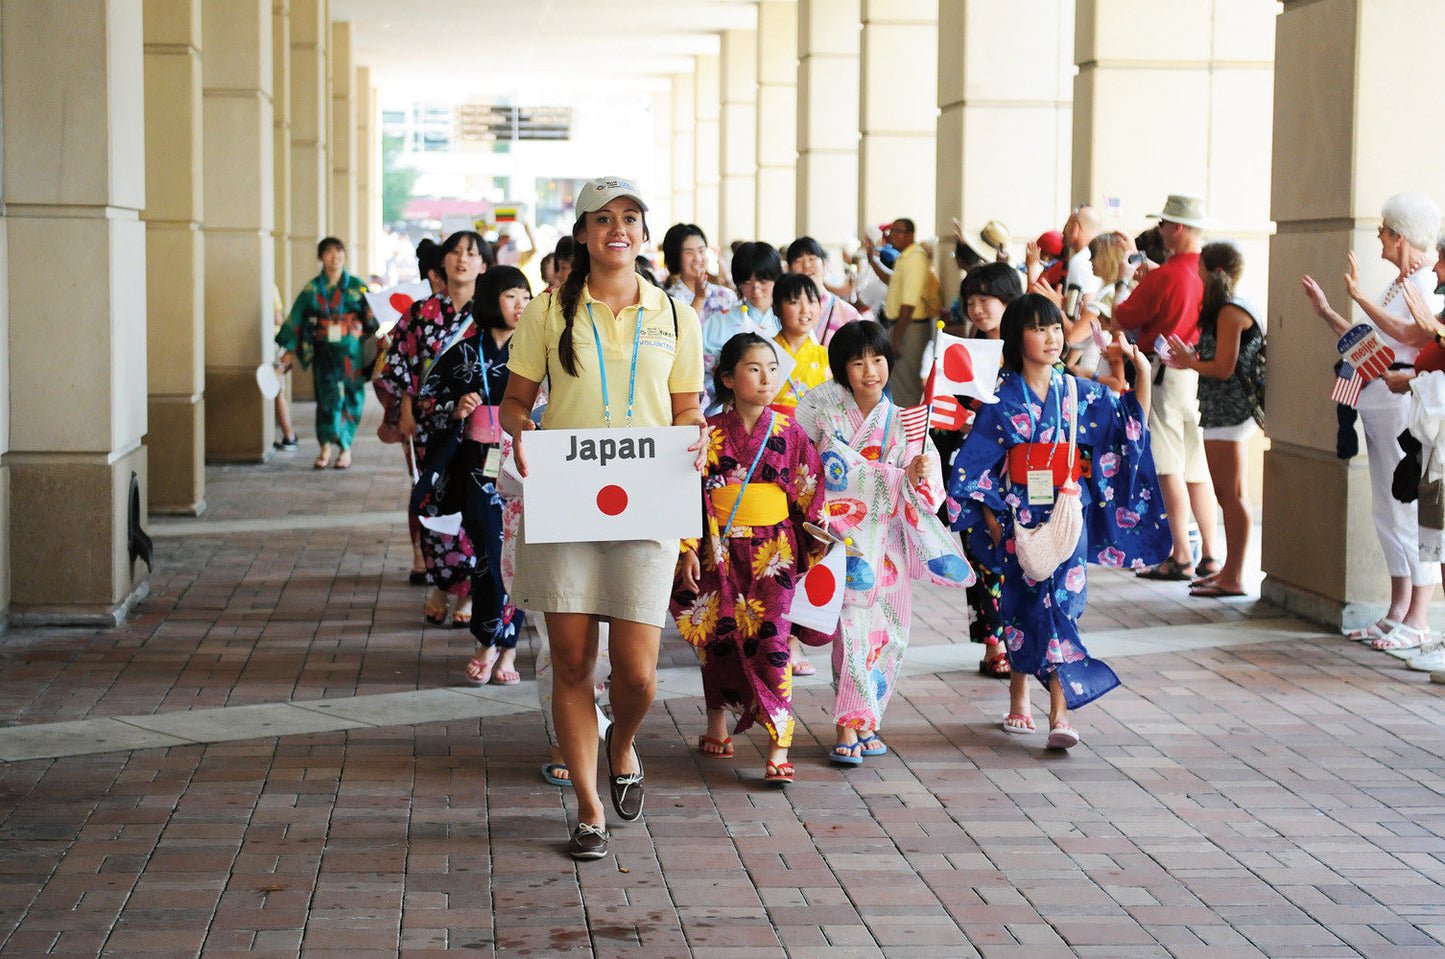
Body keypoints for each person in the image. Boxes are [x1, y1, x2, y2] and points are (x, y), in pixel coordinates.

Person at [501, 176, 706, 862]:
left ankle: (622, 741)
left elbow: (683, 408)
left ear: (644, 234)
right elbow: (514, 402)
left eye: (630, 217)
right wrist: (521, 424)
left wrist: (695, 432)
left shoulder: (675, 316)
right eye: (602, 218)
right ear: (583, 233)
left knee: (638, 673)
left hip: (646, 500)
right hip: (566, 498)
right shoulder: (546, 313)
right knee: (571, 661)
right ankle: (588, 807)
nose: (617, 228)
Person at [950, 293, 1169, 749]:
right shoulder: (1000, 398)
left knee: (1062, 605)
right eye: (1039, 329)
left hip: (1069, 512)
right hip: (1019, 514)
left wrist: (1142, 371)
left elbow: (1128, 425)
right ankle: (1019, 691)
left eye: (1055, 328)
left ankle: (1059, 712)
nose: (1052, 338)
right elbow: (974, 468)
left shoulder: (1077, 392)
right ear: (1017, 337)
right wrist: (991, 517)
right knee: (1023, 605)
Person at [793, 321, 972, 765]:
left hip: (888, 540)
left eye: (877, 360)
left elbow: (929, 492)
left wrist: (921, 475)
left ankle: (869, 718)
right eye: (857, 362)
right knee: (852, 632)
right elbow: (828, 468)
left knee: (889, 634)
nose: (869, 371)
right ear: (842, 369)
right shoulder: (823, 413)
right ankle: (845, 725)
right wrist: (895, 476)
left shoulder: (904, 421)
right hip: (847, 539)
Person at [670, 333, 827, 785]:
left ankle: (780, 741)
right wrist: (687, 548)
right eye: (754, 368)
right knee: (718, 636)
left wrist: (818, 539)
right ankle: (716, 725)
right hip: (717, 548)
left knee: (774, 641)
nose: (766, 378)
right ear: (727, 378)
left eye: (773, 369)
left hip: (773, 554)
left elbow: (809, 492)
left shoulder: (791, 431)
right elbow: (687, 494)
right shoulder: (709, 432)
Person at [1301, 192, 1443, 652]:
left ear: (1401, 237)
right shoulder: (1397, 285)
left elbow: (1409, 335)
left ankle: (1418, 617)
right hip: (1378, 405)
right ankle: (1397, 609)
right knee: (1385, 509)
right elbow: (1369, 341)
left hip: (1403, 409)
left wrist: (1357, 296)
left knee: (1407, 510)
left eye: (1383, 230)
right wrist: (1328, 312)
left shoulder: (1421, 284)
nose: (1378, 237)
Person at [417, 265, 532, 685]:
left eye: (525, 295)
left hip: (522, 460)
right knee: (490, 549)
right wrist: (455, 410)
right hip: (477, 464)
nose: (521, 304)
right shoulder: (463, 352)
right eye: (510, 296)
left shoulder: (536, 351)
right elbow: (426, 403)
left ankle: (508, 650)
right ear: (489, 300)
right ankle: (489, 640)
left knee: (519, 552)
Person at [377, 230, 493, 628]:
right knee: (435, 500)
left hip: (480, 424)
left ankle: (468, 589)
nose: (462, 259)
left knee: (477, 503)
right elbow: (402, 363)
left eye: (472, 253)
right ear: (442, 262)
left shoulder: (492, 313)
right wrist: (405, 408)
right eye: (455, 252)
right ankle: (443, 583)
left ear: (484, 265)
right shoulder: (420, 313)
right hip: (431, 423)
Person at [1112, 194, 1220, 582]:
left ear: (1176, 228)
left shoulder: (1165, 276)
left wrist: (1125, 281)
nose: (1159, 230)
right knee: (1196, 466)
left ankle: (1181, 553)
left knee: (1168, 465)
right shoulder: (1209, 272)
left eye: (1163, 224)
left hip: (1165, 373)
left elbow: (1122, 315)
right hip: (1199, 373)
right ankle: (1210, 553)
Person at [1165, 241, 1262, 599]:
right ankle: (1228, 571)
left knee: (1232, 495)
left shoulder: (1231, 311)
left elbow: (1223, 368)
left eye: (1200, 267)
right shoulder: (1227, 309)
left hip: (1231, 413)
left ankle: (1234, 576)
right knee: (1226, 493)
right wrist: (1191, 357)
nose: (1197, 273)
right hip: (1223, 411)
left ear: (1210, 270)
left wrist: (1191, 362)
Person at [951, 262, 1024, 680]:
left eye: (986, 299)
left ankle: (1016, 637)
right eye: (972, 301)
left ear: (1008, 301)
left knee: (1018, 556)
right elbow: (949, 410)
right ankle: (993, 644)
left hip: (1016, 471)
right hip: (974, 471)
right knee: (981, 555)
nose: (977, 309)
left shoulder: (1024, 350)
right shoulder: (964, 352)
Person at [276, 237, 377, 470]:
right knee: (326, 399)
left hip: (352, 354)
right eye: (330, 252)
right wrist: (290, 350)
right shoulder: (313, 288)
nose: (336, 256)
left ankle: (345, 447)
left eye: (339, 251)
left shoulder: (357, 286)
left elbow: (373, 317)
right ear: (321, 258)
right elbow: (296, 318)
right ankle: (325, 447)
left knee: (352, 397)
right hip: (324, 352)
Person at [877, 218, 942, 407]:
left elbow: (909, 302)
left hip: (909, 328)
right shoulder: (905, 258)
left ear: (910, 235)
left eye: (898, 231)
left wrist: (897, 337)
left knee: (907, 384)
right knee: (900, 382)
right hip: (902, 326)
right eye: (892, 230)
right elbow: (891, 282)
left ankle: (910, 432)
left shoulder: (915, 260)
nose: (892, 235)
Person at [701, 242, 784, 381]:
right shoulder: (718, 321)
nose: (756, 289)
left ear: (776, 278)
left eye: (763, 281)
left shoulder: (789, 319)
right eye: (747, 282)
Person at [768, 272, 830, 413]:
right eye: (795, 302)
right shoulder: (761, 352)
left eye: (811, 301)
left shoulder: (827, 357)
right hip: (770, 429)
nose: (805, 310)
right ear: (776, 309)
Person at [786, 236, 861, 345]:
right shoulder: (783, 309)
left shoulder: (847, 313)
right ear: (788, 269)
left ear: (825, 265)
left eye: (812, 258)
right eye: (798, 260)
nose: (806, 265)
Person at [662, 223, 737, 323]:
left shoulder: (726, 296)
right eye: (689, 252)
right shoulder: (667, 300)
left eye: (701, 250)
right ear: (675, 257)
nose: (697, 258)